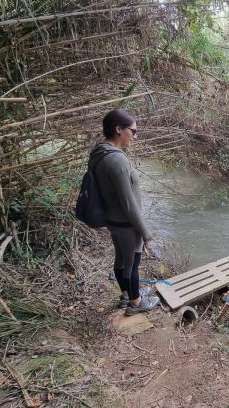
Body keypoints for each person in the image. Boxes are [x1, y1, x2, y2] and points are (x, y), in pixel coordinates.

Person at [88, 110, 159, 316]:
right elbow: (129, 204)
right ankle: (136, 303)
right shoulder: (117, 160)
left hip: (112, 220)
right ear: (118, 129)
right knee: (133, 263)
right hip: (127, 223)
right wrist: (146, 235)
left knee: (121, 259)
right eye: (133, 131)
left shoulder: (99, 153)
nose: (135, 136)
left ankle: (126, 294)